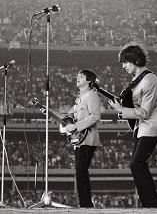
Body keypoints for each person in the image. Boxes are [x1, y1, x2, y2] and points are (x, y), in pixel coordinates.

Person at [108, 44, 157, 208]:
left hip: (151, 127)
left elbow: (145, 112)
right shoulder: (138, 79)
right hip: (142, 128)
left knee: (137, 163)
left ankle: (152, 205)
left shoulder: (149, 80)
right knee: (136, 165)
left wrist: (120, 110)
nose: (123, 66)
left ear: (134, 60)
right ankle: (150, 204)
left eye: (125, 62)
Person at [63, 69, 102, 208]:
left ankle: (86, 205)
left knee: (81, 171)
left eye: (81, 76)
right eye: (77, 76)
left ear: (89, 81)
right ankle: (85, 204)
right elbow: (68, 117)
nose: (77, 77)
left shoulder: (91, 95)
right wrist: (49, 112)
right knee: (80, 172)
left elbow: (95, 116)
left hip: (88, 138)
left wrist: (76, 126)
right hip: (79, 140)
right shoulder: (79, 97)